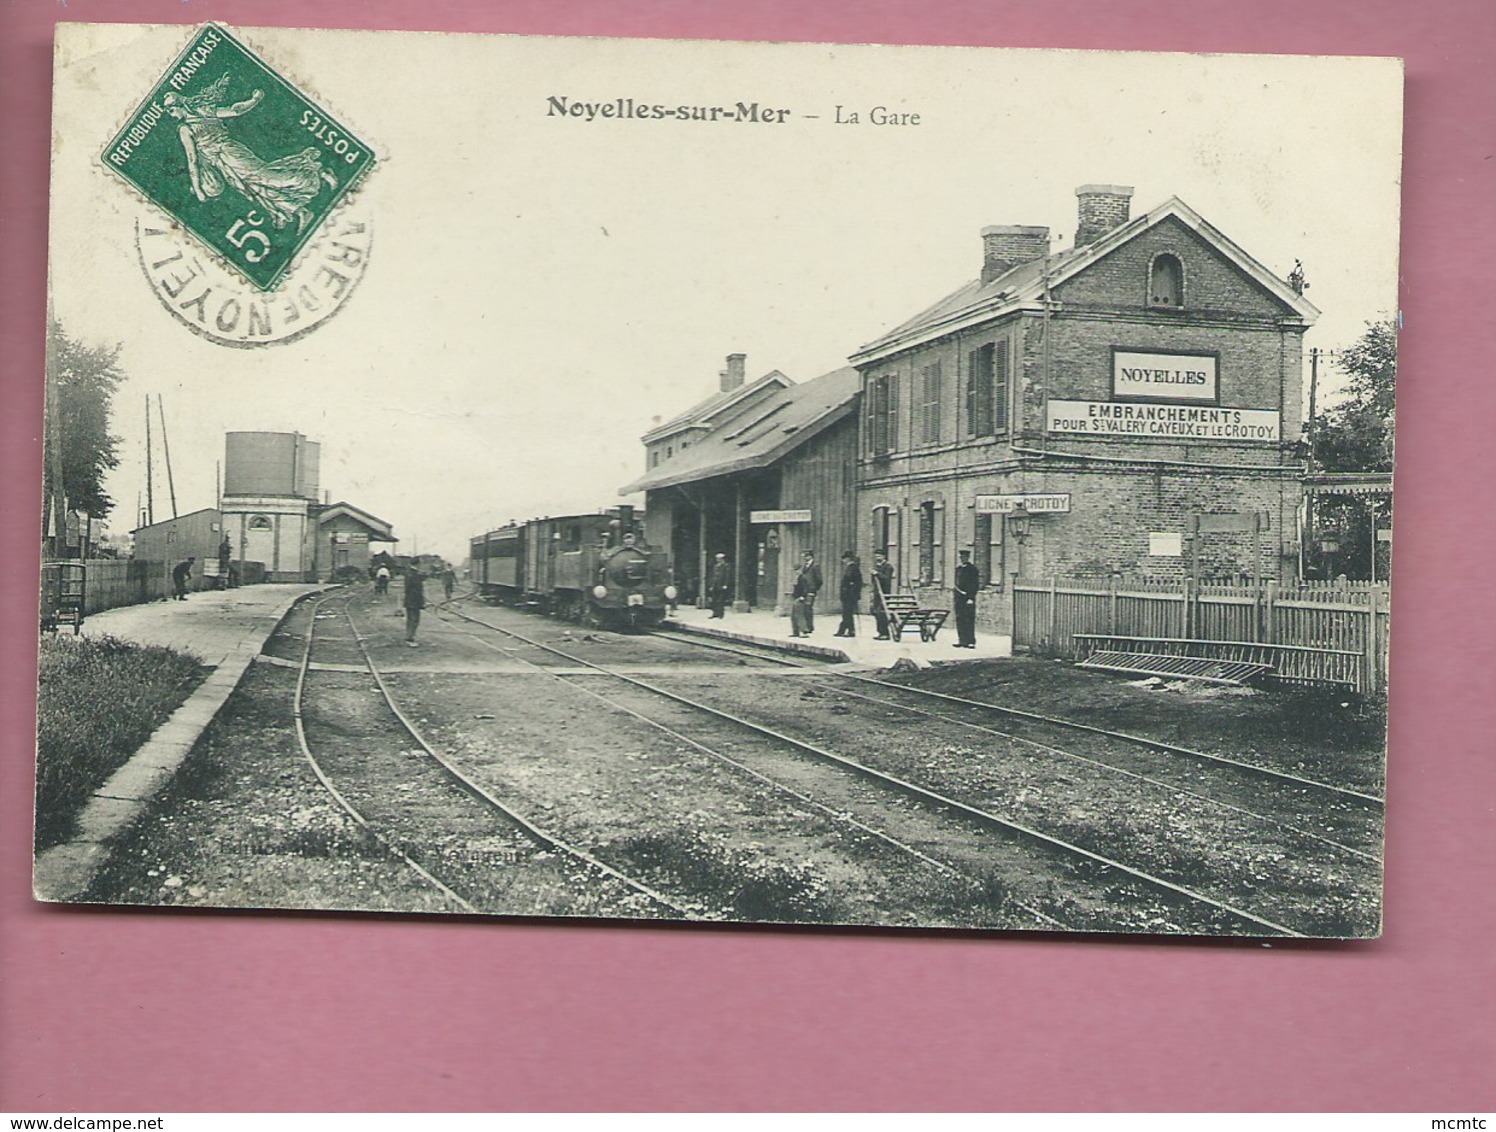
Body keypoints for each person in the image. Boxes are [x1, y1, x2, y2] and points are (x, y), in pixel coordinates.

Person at [790, 551, 822, 637]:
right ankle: (801, 630)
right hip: (804, 593)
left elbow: (819, 580)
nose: (805, 558)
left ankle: (806, 629)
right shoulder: (804, 567)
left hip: (808, 593)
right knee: (801, 612)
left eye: (806, 556)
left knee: (804, 611)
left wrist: (813, 590)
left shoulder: (814, 566)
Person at [953, 549, 980, 648]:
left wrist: (971, 597)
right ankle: (962, 640)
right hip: (959, 598)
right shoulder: (958, 569)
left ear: (967, 558)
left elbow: (974, 585)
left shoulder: (972, 569)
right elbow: (957, 583)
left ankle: (970, 641)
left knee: (969, 618)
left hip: (968, 597)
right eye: (961, 557)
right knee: (960, 619)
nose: (962, 559)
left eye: (964, 557)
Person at [835, 551, 863, 637]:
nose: (843, 561)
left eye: (844, 559)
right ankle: (842, 630)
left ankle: (850, 631)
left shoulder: (853, 568)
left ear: (848, 559)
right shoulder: (849, 567)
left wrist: (852, 592)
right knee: (846, 613)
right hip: (847, 595)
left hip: (850, 595)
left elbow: (858, 582)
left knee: (848, 613)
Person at [870, 551, 895, 640]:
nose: (877, 558)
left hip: (884, 593)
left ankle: (885, 633)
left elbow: (886, 579)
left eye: (879, 556)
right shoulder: (877, 567)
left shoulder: (888, 567)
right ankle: (880, 632)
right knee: (876, 612)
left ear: (884, 556)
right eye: (876, 556)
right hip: (877, 593)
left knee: (882, 613)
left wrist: (877, 574)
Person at [403, 567, 426, 647]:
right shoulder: (416, 575)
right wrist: (422, 602)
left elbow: (407, 588)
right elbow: (418, 590)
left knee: (409, 619)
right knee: (415, 620)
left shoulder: (408, 573)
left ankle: (408, 636)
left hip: (408, 600)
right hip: (415, 601)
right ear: (418, 564)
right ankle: (410, 638)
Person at [707, 552, 733, 618]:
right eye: (717, 558)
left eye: (719, 558)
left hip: (721, 585)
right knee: (714, 600)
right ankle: (715, 613)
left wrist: (725, 584)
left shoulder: (726, 566)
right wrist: (711, 585)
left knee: (720, 600)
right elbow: (713, 576)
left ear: (722, 559)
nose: (717, 560)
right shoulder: (715, 566)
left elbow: (727, 576)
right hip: (715, 585)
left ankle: (720, 614)